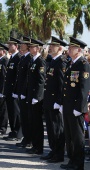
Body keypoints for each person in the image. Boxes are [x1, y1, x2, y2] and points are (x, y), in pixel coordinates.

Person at [60, 37, 90, 170]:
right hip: (68, 106)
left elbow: (84, 89)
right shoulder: (71, 63)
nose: (69, 49)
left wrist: (80, 107)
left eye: (71, 48)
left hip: (76, 108)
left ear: (79, 50)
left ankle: (78, 164)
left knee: (77, 137)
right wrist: (63, 103)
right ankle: (72, 161)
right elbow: (66, 87)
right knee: (69, 136)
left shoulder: (83, 64)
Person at [41, 36, 67, 163]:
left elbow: (62, 85)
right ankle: (53, 150)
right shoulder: (53, 61)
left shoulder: (62, 62)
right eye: (50, 45)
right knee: (51, 128)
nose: (50, 47)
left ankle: (58, 154)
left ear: (60, 48)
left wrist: (59, 101)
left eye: (53, 46)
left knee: (57, 129)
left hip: (55, 101)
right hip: (49, 100)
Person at [25, 39, 46, 155]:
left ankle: (39, 147)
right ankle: (34, 145)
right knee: (32, 122)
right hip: (31, 95)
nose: (30, 48)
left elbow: (41, 81)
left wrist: (37, 97)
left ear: (37, 49)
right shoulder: (33, 60)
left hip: (36, 98)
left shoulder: (40, 62)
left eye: (32, 47)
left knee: (37, 123)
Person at [14, 36, 32, 147]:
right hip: (21, 91)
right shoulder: (23, 58)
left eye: (23, 43)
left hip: (26, 92)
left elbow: (27, 78)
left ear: (28, 46)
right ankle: (26, 138)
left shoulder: (29, 58)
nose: (21, 44)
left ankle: (28, 139)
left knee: (27, 117)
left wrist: (24, 92)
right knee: (23, 117)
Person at [3, 37, 22, 141]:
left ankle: (17, 132)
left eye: (11, 45)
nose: (9, 46)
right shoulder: (12, 58)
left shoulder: (18, 58)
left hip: (14, 90)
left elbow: (17, 77)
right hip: (9, 89)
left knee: (15, 112)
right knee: (11, 111)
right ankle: (13, 130)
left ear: (16, 46)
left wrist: (15, 90)